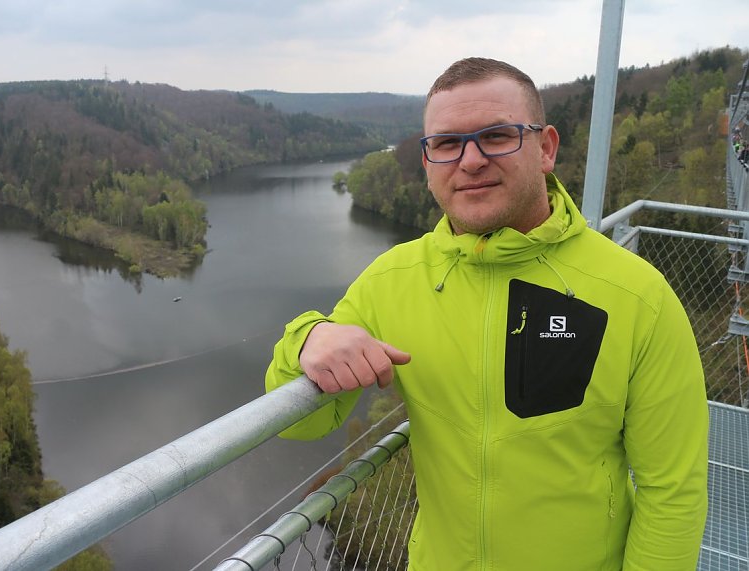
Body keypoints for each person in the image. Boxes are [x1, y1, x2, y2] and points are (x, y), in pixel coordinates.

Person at [265, 58, 708, 571]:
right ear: (428, 161)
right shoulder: (392, 281)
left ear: (546, 148)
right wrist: (306, 338)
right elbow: (299, 425)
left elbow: (672, 492)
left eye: (498, 136)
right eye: (447, 144)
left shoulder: (636, 295)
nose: (470, 161)